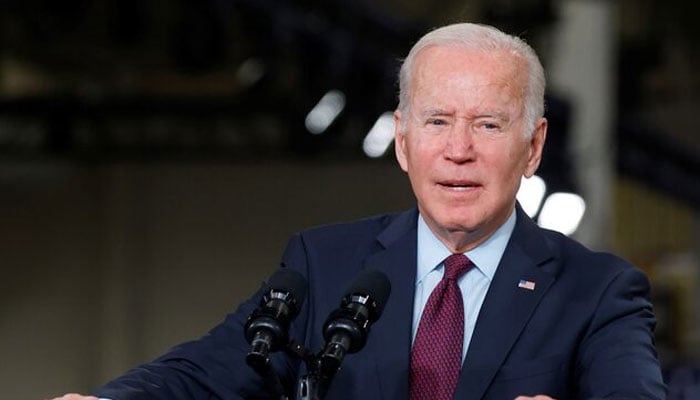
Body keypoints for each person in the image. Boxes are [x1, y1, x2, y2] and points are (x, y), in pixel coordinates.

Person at [50, 22, 666, 400]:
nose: (458, 150)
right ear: (402, 141)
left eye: (487, 124)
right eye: (437, 122)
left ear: (532, 146)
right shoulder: (325, 263)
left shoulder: (597, 292)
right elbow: (211, 370)